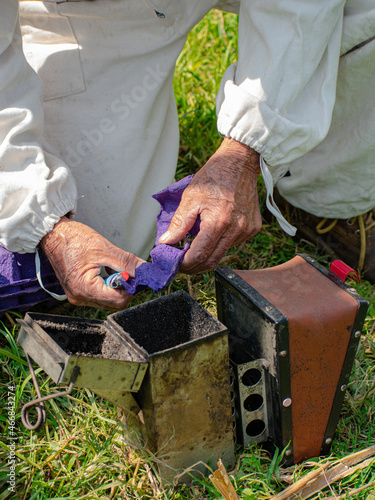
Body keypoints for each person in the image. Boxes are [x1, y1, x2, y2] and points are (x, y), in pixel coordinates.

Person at [0, 0, 374, 311]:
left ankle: (319, 189)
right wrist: (47, 223)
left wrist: (245, 151)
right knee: (102, 234)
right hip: (88, 13)